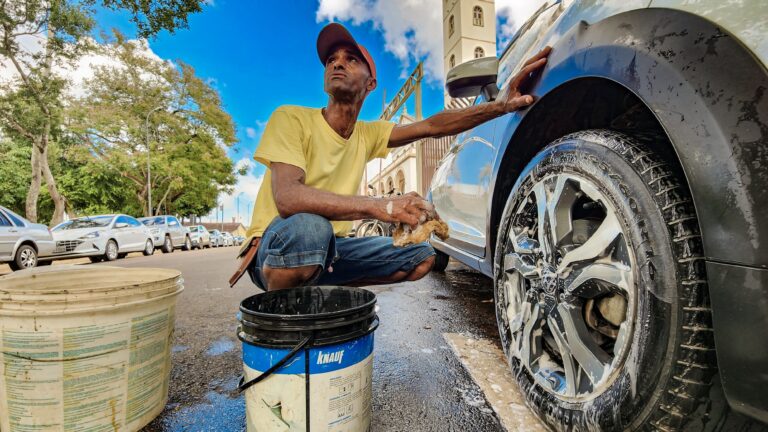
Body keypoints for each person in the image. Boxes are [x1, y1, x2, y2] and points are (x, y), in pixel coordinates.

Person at [229, 23, 550, 291]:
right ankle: (288, 303)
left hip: (330, 254)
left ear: (370, 84)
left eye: (350, 59)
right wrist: (382, 206)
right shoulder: (291, 118)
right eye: (331, 60)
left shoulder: (367, 134)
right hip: (277, 251)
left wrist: (498, 106)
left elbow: (431, 126)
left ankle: (323, 288)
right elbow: (288, 197)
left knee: (421, 255)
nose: (337, 63)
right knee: (312, 228)